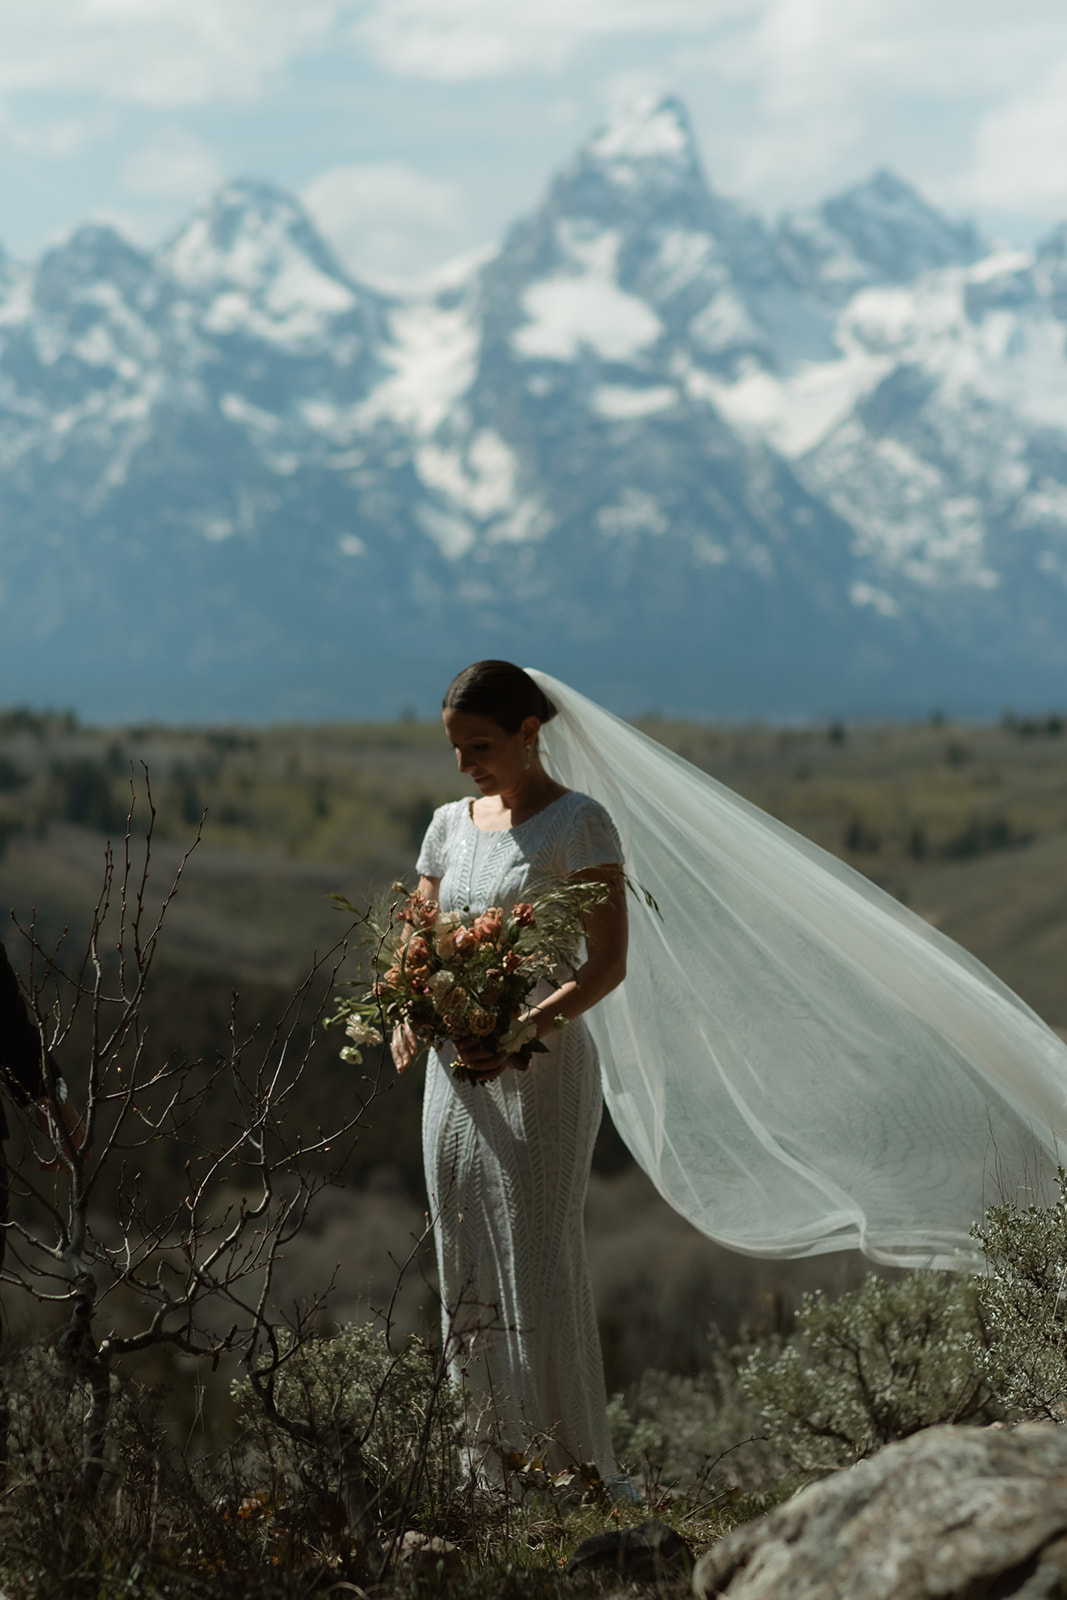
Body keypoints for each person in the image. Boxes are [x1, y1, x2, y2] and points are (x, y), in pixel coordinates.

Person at [393, 661, 628, 1478]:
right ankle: (488, 1464)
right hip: (452, 1072)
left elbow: (606, 964)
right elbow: (416, 941)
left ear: (530, 734)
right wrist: (404, 1011)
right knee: (460, 1247)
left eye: (481, 745)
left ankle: (570, 1465)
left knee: (536, 1253)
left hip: (545, 1064)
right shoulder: (447, 825)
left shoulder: (579, 825)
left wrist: (523, 1026)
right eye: (455, 747)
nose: (464, 765)